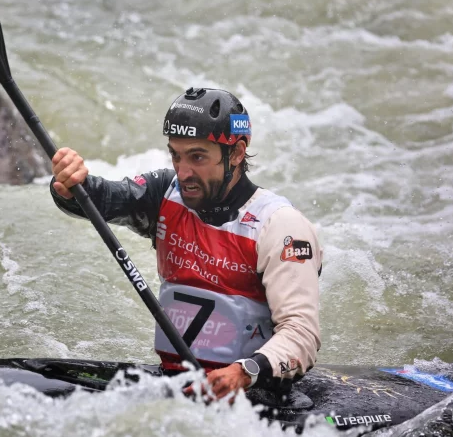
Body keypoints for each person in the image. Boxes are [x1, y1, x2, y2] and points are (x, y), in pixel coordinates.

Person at [49, 87, 322, 402]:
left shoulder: (280, 226)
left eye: (197, 157)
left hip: (255, 394)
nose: (183, 172)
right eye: (175, 155)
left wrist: (244, 371)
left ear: (236, 153)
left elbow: (302, 333)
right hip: (176, 381)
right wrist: (70, 184)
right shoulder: (165, 194)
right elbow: (99, 199)